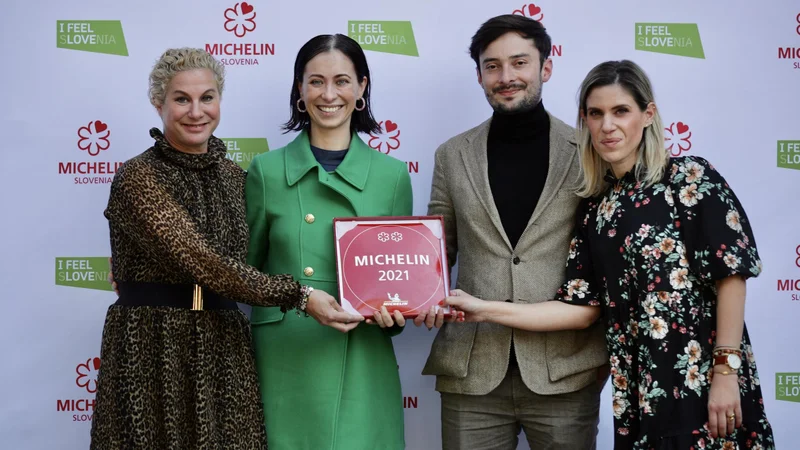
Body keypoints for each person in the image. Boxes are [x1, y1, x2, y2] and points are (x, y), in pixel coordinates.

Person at [443, 60, 776, 449]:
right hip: (637, 386)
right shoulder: (596, 207)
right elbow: (580, 308)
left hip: (702, 376)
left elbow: (731, 276)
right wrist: (482, 309)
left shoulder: (689, 178)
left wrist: (725, 371)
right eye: (595, 114)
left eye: (621, 111)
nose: (607, 126)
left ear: (647, 114)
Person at [91, 47, 361, 450]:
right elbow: (203, 263)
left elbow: (261, 257)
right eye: (181, 99)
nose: (196, 111)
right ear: (158, 104)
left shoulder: (238, 178)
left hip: (225, 345)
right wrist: (300, 295)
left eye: (207, 97)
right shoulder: (137, 177)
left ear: (220, 100)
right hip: (152, 346)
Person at [412, 14, 607, 450]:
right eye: (493, 65)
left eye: (519, 62)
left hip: (565, 369)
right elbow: (436, 247)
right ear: (479, 75)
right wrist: (417, 293)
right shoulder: (452, 155)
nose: (506, 77)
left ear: (546, 68)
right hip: (472, 370)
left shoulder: (591, 151)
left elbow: (604, 254)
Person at [245, 34, 413, 450]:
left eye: (342, 80)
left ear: (362, 88)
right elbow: (244, 273)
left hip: (362, 355)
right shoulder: (265, 172)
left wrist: (396, 314)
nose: (329, 94)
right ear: (300, 90)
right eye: (315, 81)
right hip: (287, 357)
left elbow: (401, 279)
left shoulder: (392, 176)